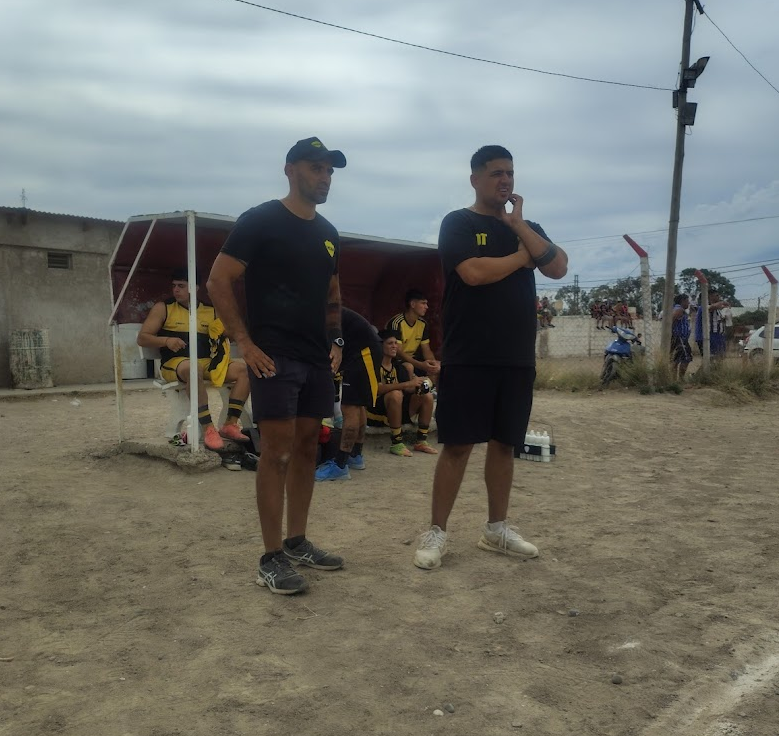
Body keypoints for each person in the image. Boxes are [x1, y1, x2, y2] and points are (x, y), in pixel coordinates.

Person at [413, 144, 568, 570]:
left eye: (510, 173)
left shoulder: (526, 227)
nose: (505, 180)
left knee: (504, 444)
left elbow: (558, 267)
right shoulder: (458, 223)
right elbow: (474, 273)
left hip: (516, 357)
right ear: (475, 179)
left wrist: (520, 227)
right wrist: (522, 257)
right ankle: (437, 532)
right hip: (469, 354)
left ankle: (496, 529)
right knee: (458, 446)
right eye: (497, 173)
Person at [206, 136, 347, 596]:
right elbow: (218, 280)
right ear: (290, 170)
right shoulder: (261, 220)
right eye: (316, 168)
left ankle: (297, 542)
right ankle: (270, 558)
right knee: (277, 451)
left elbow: (333, 295)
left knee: (309, 448)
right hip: (273, 356)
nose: (325, 178)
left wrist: (336, 339)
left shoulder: (329, 234)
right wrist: (244, 342)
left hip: (314, 357)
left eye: (329, 171)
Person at [136, 267, 251, 451]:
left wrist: (228, 327)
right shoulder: (164, 308)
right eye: (174, 286)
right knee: (193, 368)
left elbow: (229, 333)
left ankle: (230, 424)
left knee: (244, 371)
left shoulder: (210, 310)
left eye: (181, 286)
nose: (176, 290)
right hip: (175, 364)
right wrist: (166, 341)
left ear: (195, 288)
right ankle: (208, 428)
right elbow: (142, 338)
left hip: (205, 361)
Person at [315, 307, 382, 481]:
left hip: (362, 353)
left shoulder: (321, 312)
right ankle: (355, 456)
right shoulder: (325, 310)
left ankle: (340, 465)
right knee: (358, 406)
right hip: (364, 351)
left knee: (350, 408)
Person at [368, 329, 438, 456]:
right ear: (381, 345)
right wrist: (406, 384)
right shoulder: (373, 365)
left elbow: (408, 389)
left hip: (397, 409)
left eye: (396, 343)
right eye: (390, 343)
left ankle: (421, 441)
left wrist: (419, 385)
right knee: (395, 394)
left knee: (426, 396)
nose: (394, 346)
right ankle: (396, 443)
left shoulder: (398, 367)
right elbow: (377, 389)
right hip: (375, 412)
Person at [386, 289, 440, 382]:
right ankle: (412, 389)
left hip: (414, 359)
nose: (426, 307)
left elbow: (426, 350)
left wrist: (433, 364)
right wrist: (420, 365)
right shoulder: (397, 322)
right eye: (423, 303)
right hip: (397, 361)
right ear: (413, 304)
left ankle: (430, 389)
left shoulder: (423, 324)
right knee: (409, 367)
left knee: (436, 368)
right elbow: (398, 352)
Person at [695, 289, 729, 359]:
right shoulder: (703, 307)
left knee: (720, 356)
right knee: (712, 357)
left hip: (718, 335)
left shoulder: (717, 310)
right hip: (709, 335)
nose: (719, 297)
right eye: (716, 295)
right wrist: (722, 302)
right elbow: (712, 307)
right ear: (710, 296)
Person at [670, 293, 693, 380]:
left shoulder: (678, 309)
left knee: (677, 359)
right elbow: (671, 320)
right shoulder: (679, 309)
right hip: (680, 338)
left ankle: (675, 380)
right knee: (685, 358)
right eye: (687, 301)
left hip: (680, 338)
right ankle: (680, 379)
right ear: (682, 301)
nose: (688, 303)